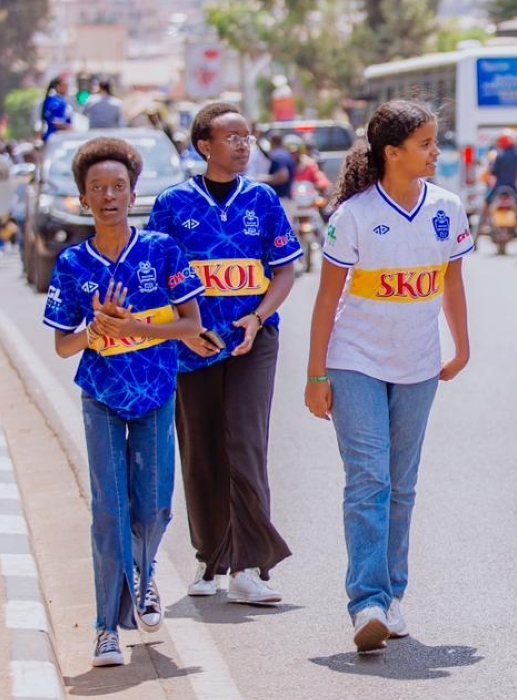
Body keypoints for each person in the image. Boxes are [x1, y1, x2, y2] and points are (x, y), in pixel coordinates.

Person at [305, 99, 473, 653]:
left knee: (402, 486)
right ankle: (367, 603)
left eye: (435, 142)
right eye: (425, 144)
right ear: (391, 153)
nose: (435, 152)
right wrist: (316, 375)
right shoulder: (352, 215)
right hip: (355, 361)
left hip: (419, 365)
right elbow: (328, 300)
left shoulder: (447, 207)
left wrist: (462, 346)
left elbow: (451, 282)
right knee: (368, 480)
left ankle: (393, 595)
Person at [42, 137, 205, 667]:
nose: (108, 196)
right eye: (97, 189)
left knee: (153, 508)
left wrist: (131, 325)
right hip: (102, 398)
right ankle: (106, 628)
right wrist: (95, 331)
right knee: (109, 513)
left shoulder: (161, 251)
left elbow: (191, 325)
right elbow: (62, 343)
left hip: (157, 392)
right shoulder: (71, 263)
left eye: (118, 187)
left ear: (133, 192)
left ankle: (144, 572)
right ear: (83, 199)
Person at [147, 102, 300, 604]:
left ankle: (250, 568)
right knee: (201, 449)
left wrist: (257, 319)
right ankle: (209, 560)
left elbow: (283, 270)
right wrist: (181, 331)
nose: (241, 145)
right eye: (230, 137)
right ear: (203, 146)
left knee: (246, 444)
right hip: (192, 347)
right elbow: (156, 279)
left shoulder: (263, 200)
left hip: (252, 341)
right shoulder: (172, 203)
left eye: (247, 137)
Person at [41, 77, 73, 142]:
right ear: (58, 87)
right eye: (65, 85)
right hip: (58, 139)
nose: (67, 88)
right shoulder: (58, 102)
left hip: (51, 138)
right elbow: (58, 123)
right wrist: (74, 129)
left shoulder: (51, 100)